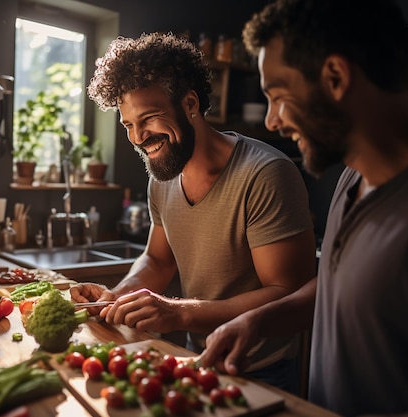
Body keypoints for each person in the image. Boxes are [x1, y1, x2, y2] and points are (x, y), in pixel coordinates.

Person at [200, 0, 408, 416]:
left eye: (278, 96)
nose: (272, 121)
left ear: (335, 77)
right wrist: (260, 321)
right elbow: (341, 285)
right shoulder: (352, 178)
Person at [72, 32, 317, 393]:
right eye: (128, 125)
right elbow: (157, 261)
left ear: (189, 104)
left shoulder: (265, 174)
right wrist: (117, 296)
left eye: (149, 118)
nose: (139, 137)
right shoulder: (163, 174)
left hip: (258, 370)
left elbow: (286, 291)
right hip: (193, 359)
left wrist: (179, 312)